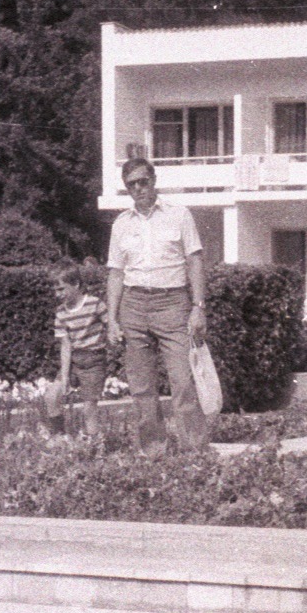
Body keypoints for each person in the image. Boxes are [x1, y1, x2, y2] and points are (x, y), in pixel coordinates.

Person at [105, 158, 208, 451]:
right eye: (131, 185)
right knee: (141, 386)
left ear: (154, 180)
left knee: (183, 381)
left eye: (143, 181)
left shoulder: (179, 215)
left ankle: (196, 453)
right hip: (133, 305)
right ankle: (154, 452)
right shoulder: (121, 224)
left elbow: (195, 260)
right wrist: (112, 319)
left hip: (172, 303)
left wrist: (198, 306)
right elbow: (115, 272)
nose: (138, 188)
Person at [51, 263, 107, 440]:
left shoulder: (95, 304)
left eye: (61, 289)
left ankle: (96, 446)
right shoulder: (60, 313)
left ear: (75, 284)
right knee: (52, 396)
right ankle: (59, 437)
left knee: (89, 407)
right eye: (55, 290)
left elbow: (111, 326)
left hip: (94, 361)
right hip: (74, 360)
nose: (57, 294)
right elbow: (65, 345)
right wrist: (65, 376)